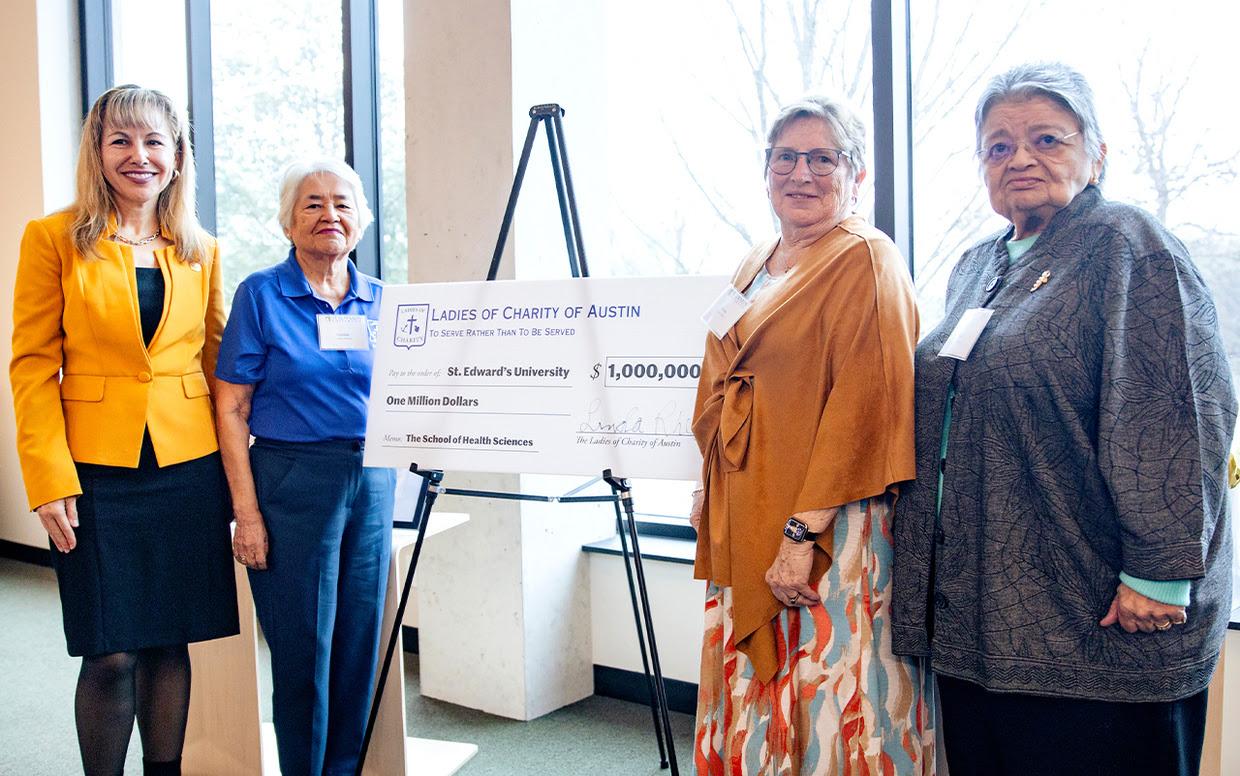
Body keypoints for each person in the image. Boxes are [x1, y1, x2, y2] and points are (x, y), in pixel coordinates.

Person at [891, 62, 1235, 776]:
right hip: (983, 606)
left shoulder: (1124, 242)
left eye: (1047, 138)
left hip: (1092, 606)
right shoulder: (976, 265)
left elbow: (1179, 406)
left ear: (1097, 152)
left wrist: (1162, 574)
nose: (1020, 158)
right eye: (998, 146)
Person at [690, 96, 935, 775]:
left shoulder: (865, 258)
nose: (802, 172)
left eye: (822, 157)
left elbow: (868, 406)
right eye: (785, 158)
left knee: (830, 692)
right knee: (756, 690)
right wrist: (708, 488)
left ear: (854, 173)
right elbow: (720, 381)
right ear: (766, 171)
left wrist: (801, 535)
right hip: (747, 504)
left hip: (829, 523)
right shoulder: (755, 260)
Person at [10, 84, 238, 776]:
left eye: (153, 141)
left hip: (188, 470)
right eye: (121, 141)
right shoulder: (53, 238)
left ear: (175, 157)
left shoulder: (200, 249)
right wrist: (48, 481)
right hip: (93, 475)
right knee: (109, 652)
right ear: (98, 152)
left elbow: (223, 365)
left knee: (171, 643)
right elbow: (30, 368)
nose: (138, 156)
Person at [214, 158, 393, 776]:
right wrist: (247, 515)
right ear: (289, 222)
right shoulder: (262, 294)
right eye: (313, 204)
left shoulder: (382, 302)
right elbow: (232, 407)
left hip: (373, 481)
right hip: (291, 480)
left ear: (361, 219)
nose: (330, 215)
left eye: (342, 203)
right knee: (302, 658)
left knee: (356, 651)